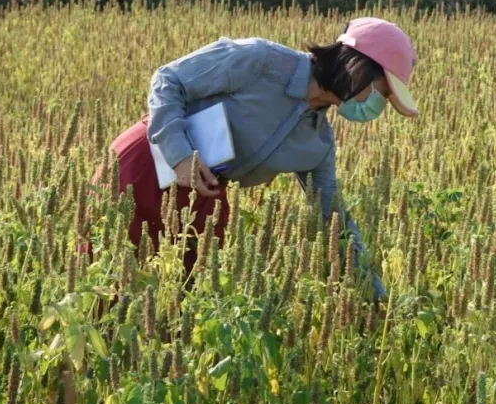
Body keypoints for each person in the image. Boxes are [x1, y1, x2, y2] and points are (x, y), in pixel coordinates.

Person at [105, 17, 418, 300]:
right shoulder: (262, 60)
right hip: (147, 162)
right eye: (383, 91)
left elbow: (334, 218)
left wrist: (374, 292)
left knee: (177, 306)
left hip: (204, 196)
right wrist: (180, 154)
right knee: (107, 285)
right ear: (359, 67)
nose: (381, 105)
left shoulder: (317, 144)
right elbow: (168, 80)